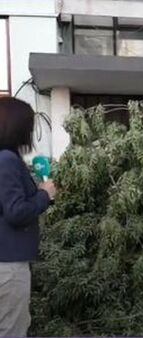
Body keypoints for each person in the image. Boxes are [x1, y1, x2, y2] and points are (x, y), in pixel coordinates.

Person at [0, 97, 56, 337]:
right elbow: (16, 211)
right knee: (12, 330)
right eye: (30, 125)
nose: (31, 132)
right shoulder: (6, 160)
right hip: (8, 264)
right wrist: (45, 194)